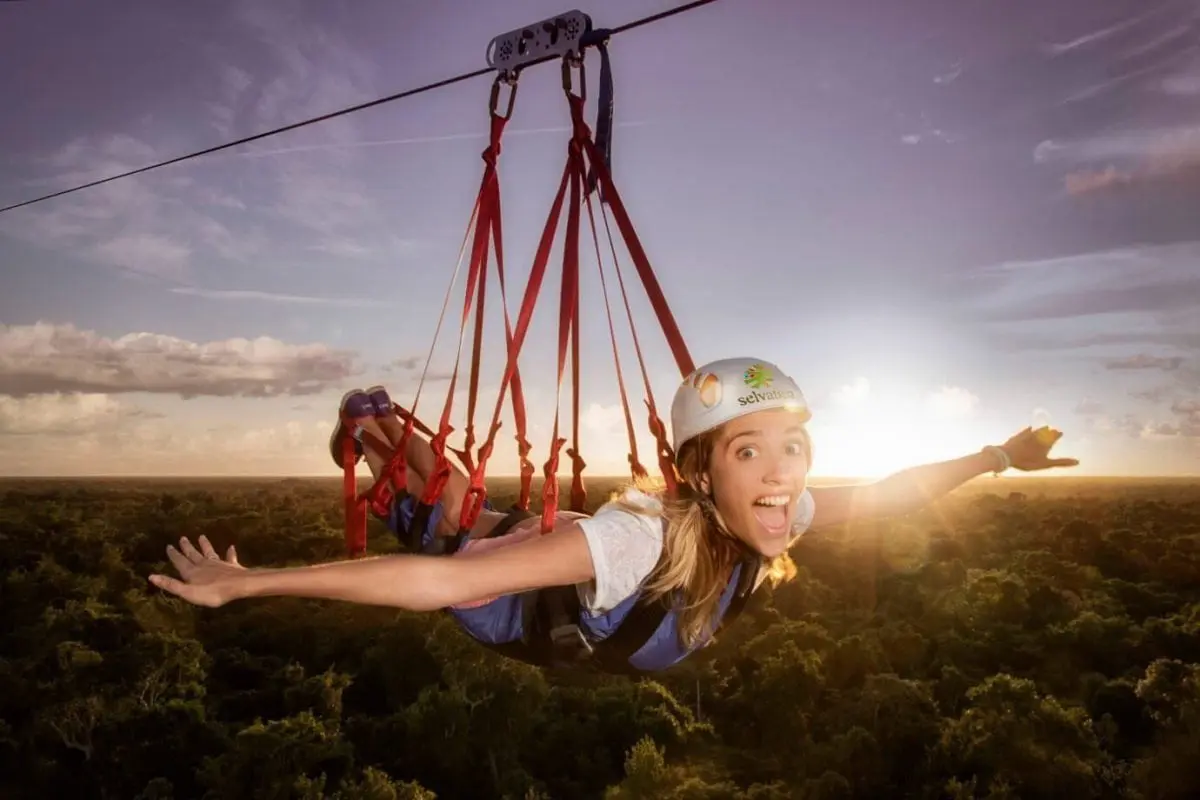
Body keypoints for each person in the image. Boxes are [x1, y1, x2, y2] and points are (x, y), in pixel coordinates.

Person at [148, 357, 1078, 674]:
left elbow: (893, 494)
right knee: (446, 524)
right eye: (746, 451)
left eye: (788, 447)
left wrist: (997, 457)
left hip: (560, 579)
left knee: (480, 507)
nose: (780, 473)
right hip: (509, 606)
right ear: (703, 477)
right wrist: (254, 583)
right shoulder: (640, 539)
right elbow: (443, 584)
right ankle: (373, 429)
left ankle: (381, 429)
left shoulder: (779, 518)